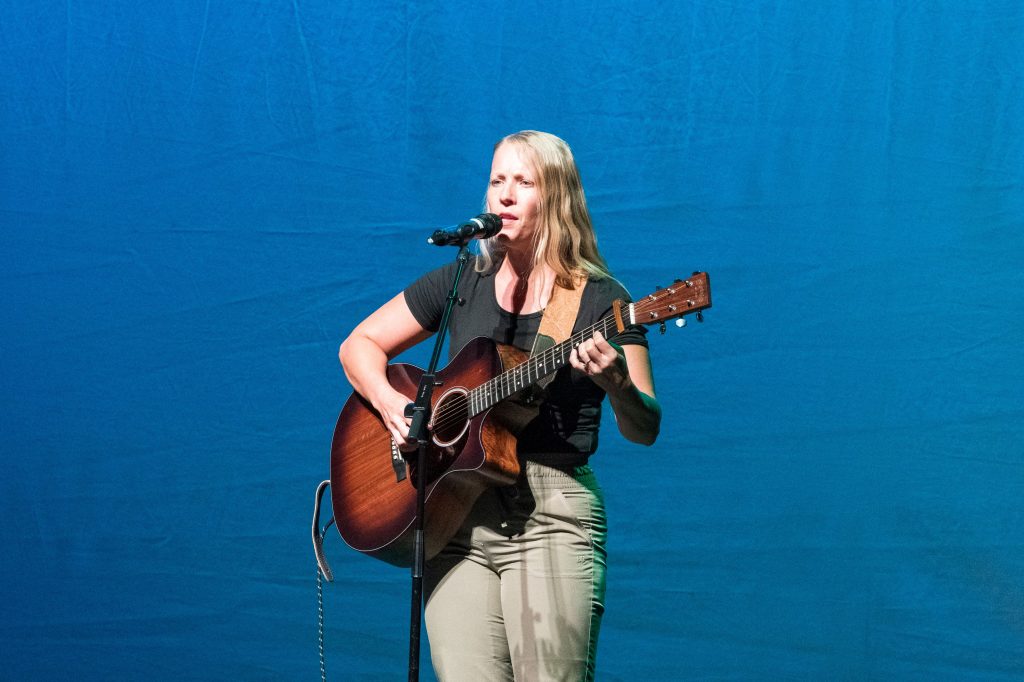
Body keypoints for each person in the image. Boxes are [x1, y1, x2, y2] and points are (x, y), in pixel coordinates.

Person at [338, 130, 661, 681]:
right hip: (456, 515)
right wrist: (394, 407)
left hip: (549, 516)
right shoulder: (462, 279)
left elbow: (645, 426)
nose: (505, 196)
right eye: (497, 180)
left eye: (524, 182)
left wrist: (617, 386)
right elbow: (358, 346)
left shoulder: (603, 300)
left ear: (556, 197)